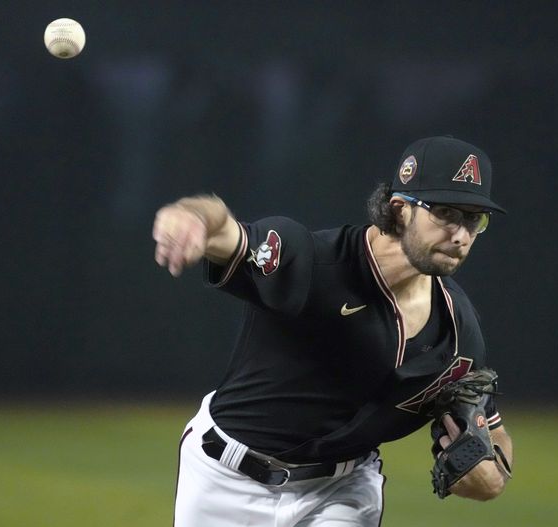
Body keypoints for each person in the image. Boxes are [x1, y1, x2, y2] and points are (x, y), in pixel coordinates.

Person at [153, 136, 514, 526]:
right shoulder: (311, 263)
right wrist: (193, 216)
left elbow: (493, 437)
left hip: (341, 493)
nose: (460, 235)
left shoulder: (457, 333)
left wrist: (491, 476)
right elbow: (224, 229)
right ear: (400, 209)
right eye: (445, 212)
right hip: (226, 479)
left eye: (473, 219)